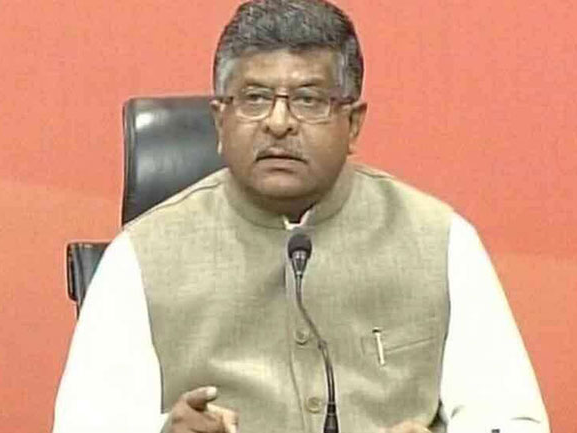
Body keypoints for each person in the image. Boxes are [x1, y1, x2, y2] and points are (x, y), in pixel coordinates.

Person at [52, 1, 550, 433]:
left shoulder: (439, 240)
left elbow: (510, 418)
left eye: (308, 100)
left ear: (353, 123)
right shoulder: (142, 256)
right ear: (220, 121)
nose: (278, 122)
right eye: (255, 99)